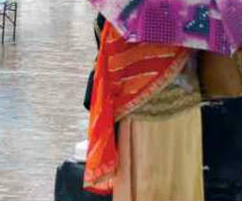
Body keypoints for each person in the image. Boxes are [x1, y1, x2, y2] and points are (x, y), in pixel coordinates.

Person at [85, 23, 204, 200]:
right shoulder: (194, 4)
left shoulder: (125, 6)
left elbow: (112, 61)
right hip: (185, 109)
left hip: (139, 114)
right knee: (182, 184)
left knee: (144, 185)